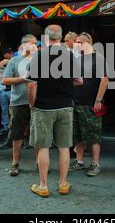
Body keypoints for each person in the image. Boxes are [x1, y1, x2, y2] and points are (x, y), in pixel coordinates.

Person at [27, 25, 82, 197]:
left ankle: (43, 186)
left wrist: (31, 103)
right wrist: (64, 85)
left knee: (43, 146)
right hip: (65, 105)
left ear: (46, 37)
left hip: (43, 106)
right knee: (64, 146)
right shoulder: (70, 55)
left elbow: (31, 84)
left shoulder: (39, 55)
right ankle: (63, 184)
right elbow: (79, 81)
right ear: (60, 37)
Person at [69, 32, 108, 177]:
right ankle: (79, 161)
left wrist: (98, 100)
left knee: (94, 134)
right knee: (77, 134)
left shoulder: (97, 59)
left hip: (91, 103)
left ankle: (95, 164)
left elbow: (104, 80)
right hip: (75, 102)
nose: (75, 44)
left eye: (78, 42)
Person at [2, 34, 38, 176]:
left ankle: (39, 163)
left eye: (36, 43)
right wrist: (23, 79)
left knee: (37, 135)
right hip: (18, 102)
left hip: (37, 102)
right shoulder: (15, 60)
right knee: (17, 135)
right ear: (24, 45)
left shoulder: (40, 60)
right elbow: (5, 80)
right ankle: (15, 163)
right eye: (32, 43)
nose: (35, 45)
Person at [0, 48, 14, 150]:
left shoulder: (14, 63)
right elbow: (0, 77)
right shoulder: (2, 64)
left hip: (11, 90)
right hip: (3, 90)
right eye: (7, 53)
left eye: (10, 53)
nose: (9, 55)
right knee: (4, 110)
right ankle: (5, 127)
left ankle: (11, 127)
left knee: (12, 110)